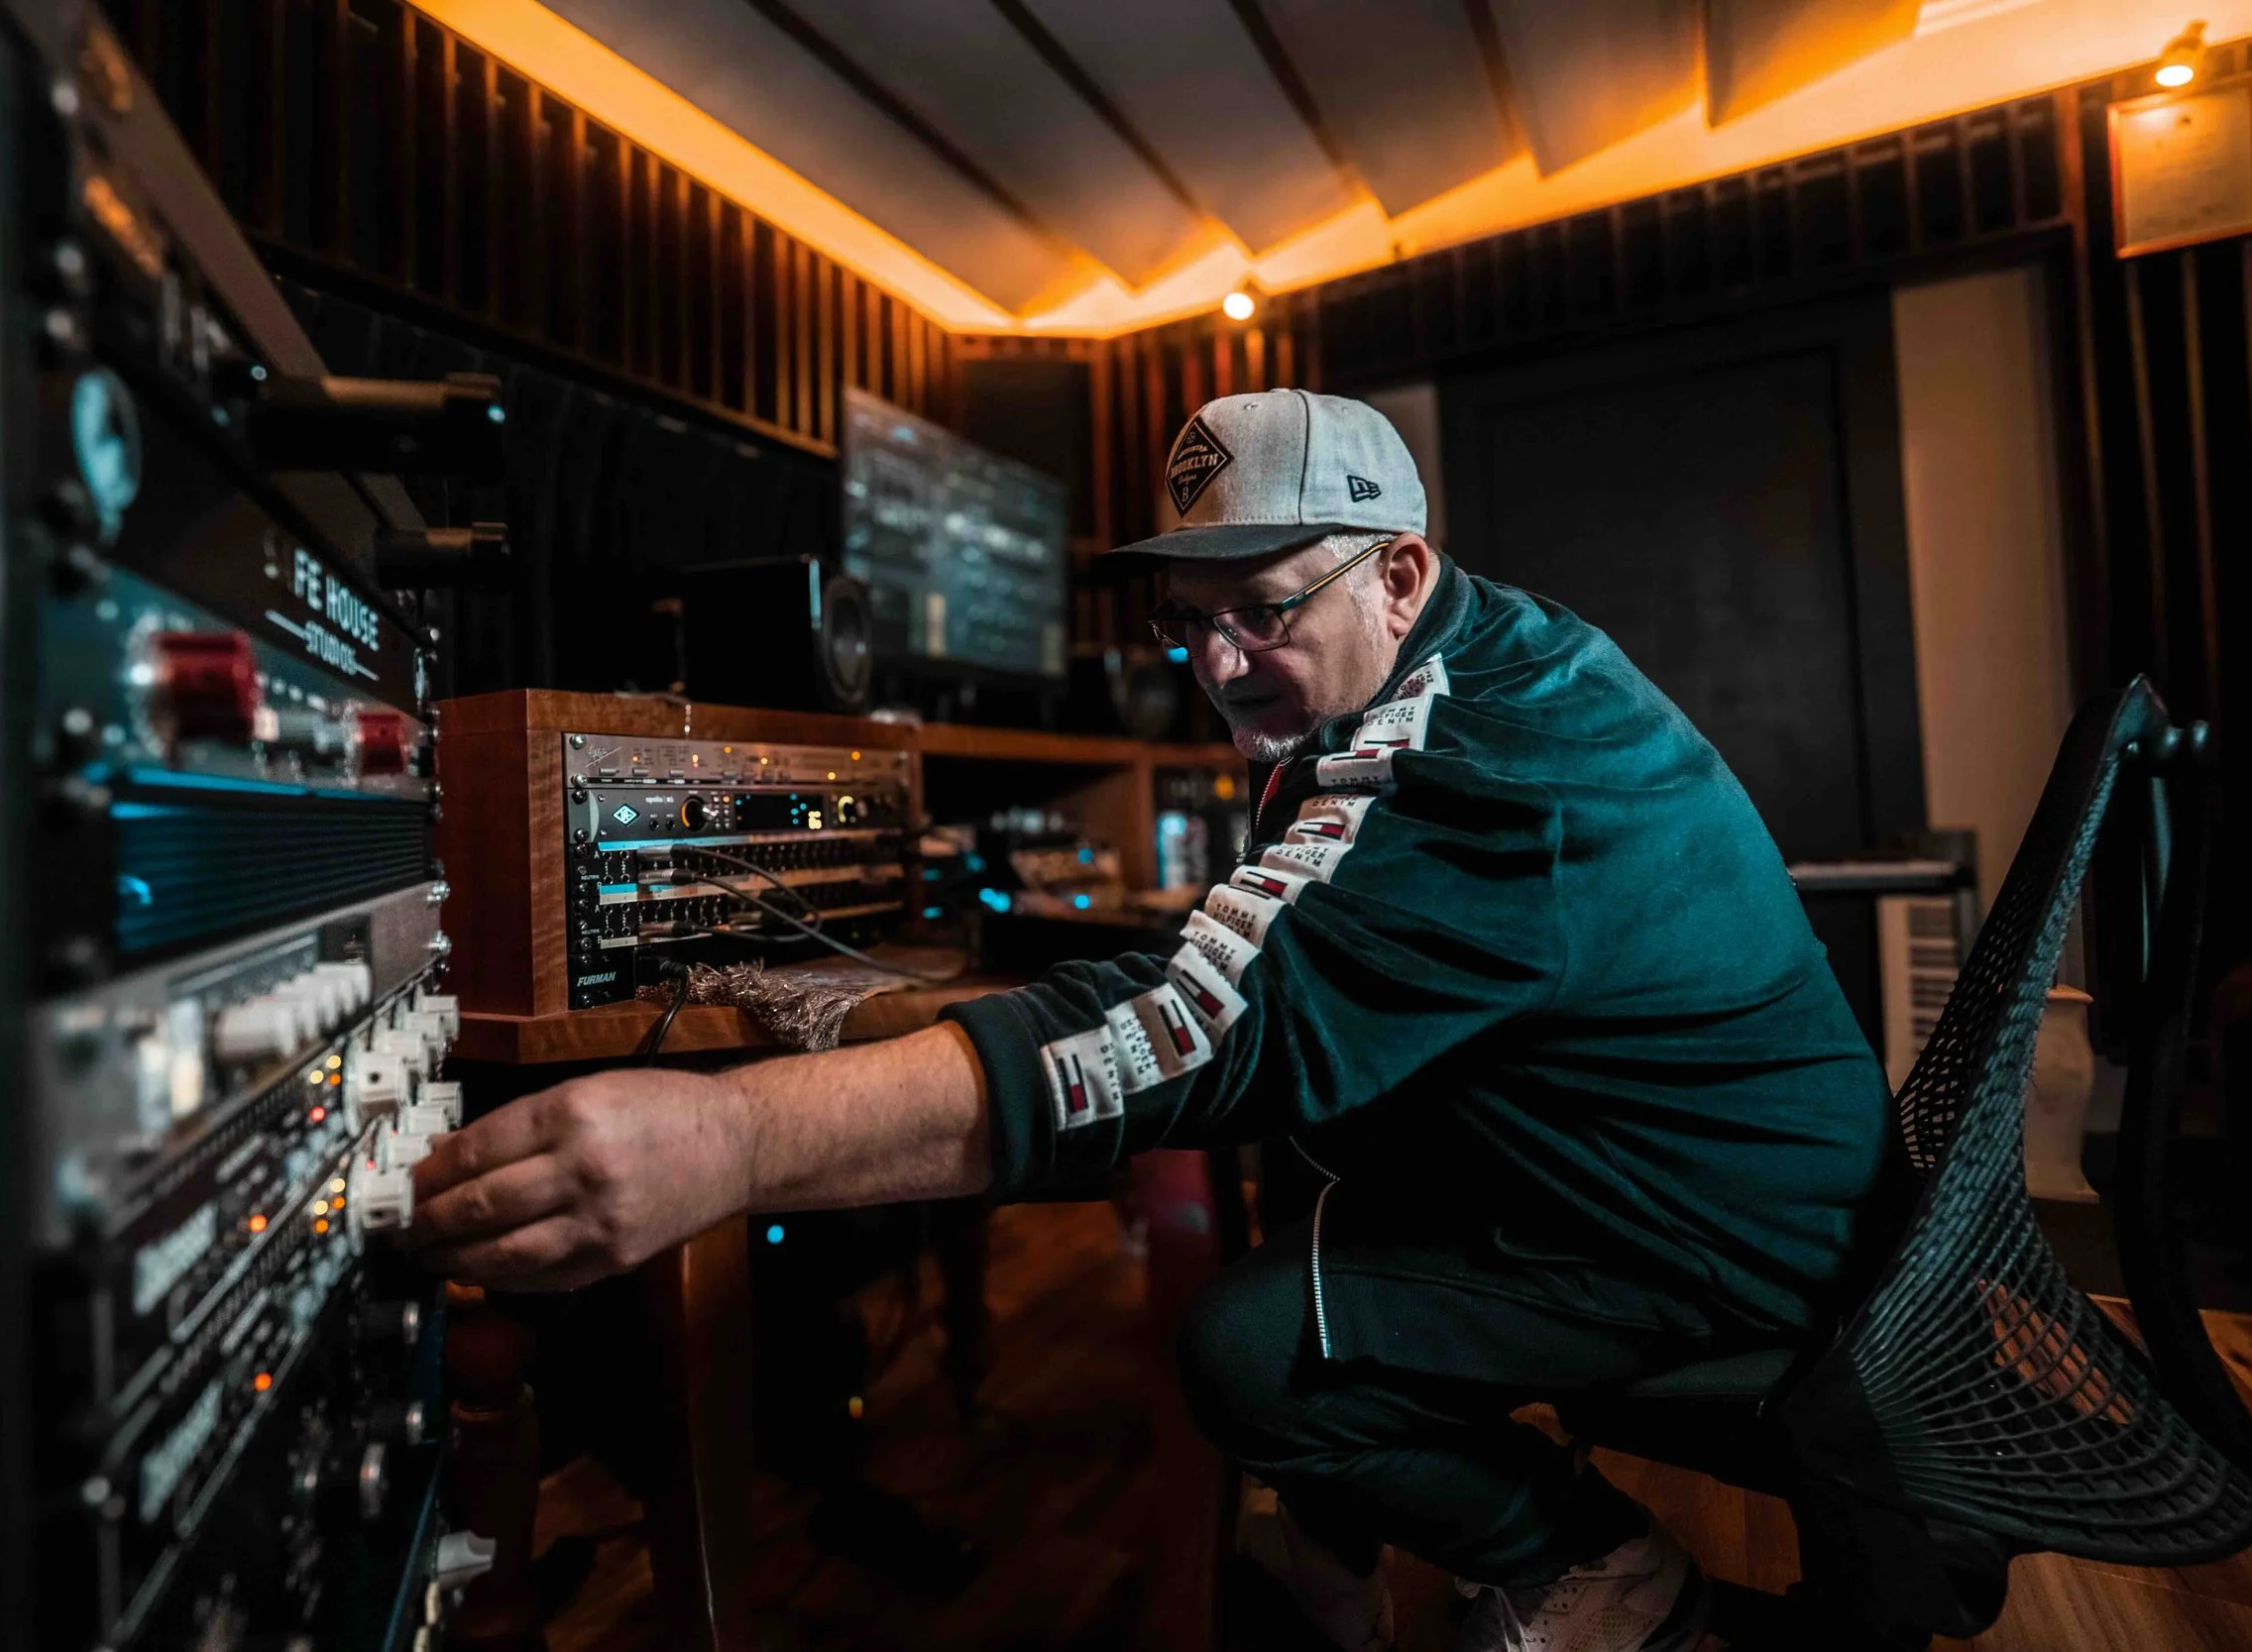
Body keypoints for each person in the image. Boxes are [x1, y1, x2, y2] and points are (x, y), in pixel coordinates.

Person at [404, 390, 1893, 1652]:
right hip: (1694, 1171)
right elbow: (1270, 969)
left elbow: (1198, 1019)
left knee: (1248, 1351)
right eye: (1191, 622)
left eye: (1264, 609)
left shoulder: (1481, 759)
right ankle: (1354, 1550)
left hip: (1723, 1234)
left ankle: (1612, 1574)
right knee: (1304, 1210)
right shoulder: (1476, 650)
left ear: (1397, 572)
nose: (1219, 666)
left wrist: (732, 1136)